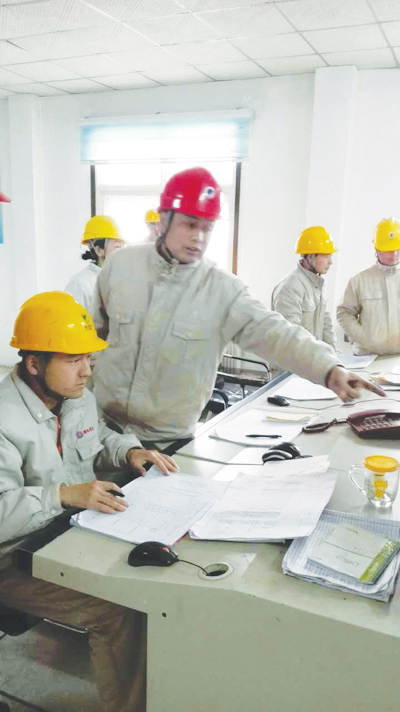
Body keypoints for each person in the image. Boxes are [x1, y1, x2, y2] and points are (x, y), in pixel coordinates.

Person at [92, 167, 383, 449]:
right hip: (102, 431)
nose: (199, 237)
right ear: (163, 220)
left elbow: (276, 333)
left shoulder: (222, 290)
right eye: (190, 224)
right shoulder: (120, 266)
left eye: (207, 228)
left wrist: (329, 369)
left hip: (166, 443)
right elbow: (92, 340)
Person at [0, 291, 177, 712]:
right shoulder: (4, 420)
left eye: (89, 359)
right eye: (74, 360)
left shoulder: (75, 397)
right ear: (34, 364)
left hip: (68, 535)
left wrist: (129, 451)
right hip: (12, 559)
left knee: (156, 585)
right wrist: (63, 495)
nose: (86, 371)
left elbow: (96, 438)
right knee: (120, 611)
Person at [337, 217, 400, 355]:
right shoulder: (359, 281)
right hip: (368, 357)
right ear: (377, 249)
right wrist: (364, 338)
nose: (394, 254)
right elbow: (344, 313)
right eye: (389, 250)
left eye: (397, 249)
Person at [271, 226, 336, 349]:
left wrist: (333, 355)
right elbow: (291, 337)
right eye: (326, 256)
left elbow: (326, 326)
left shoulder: (316, 286)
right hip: (294, 360)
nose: (330, 262)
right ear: (310, 257)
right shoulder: (290, 287)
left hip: (313, 358)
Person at [65, 215, 124, 314]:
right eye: (117, 247)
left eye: (123, 247)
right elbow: (71, 320)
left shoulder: (121, 280)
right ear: (99, 250)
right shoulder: (80, 284)